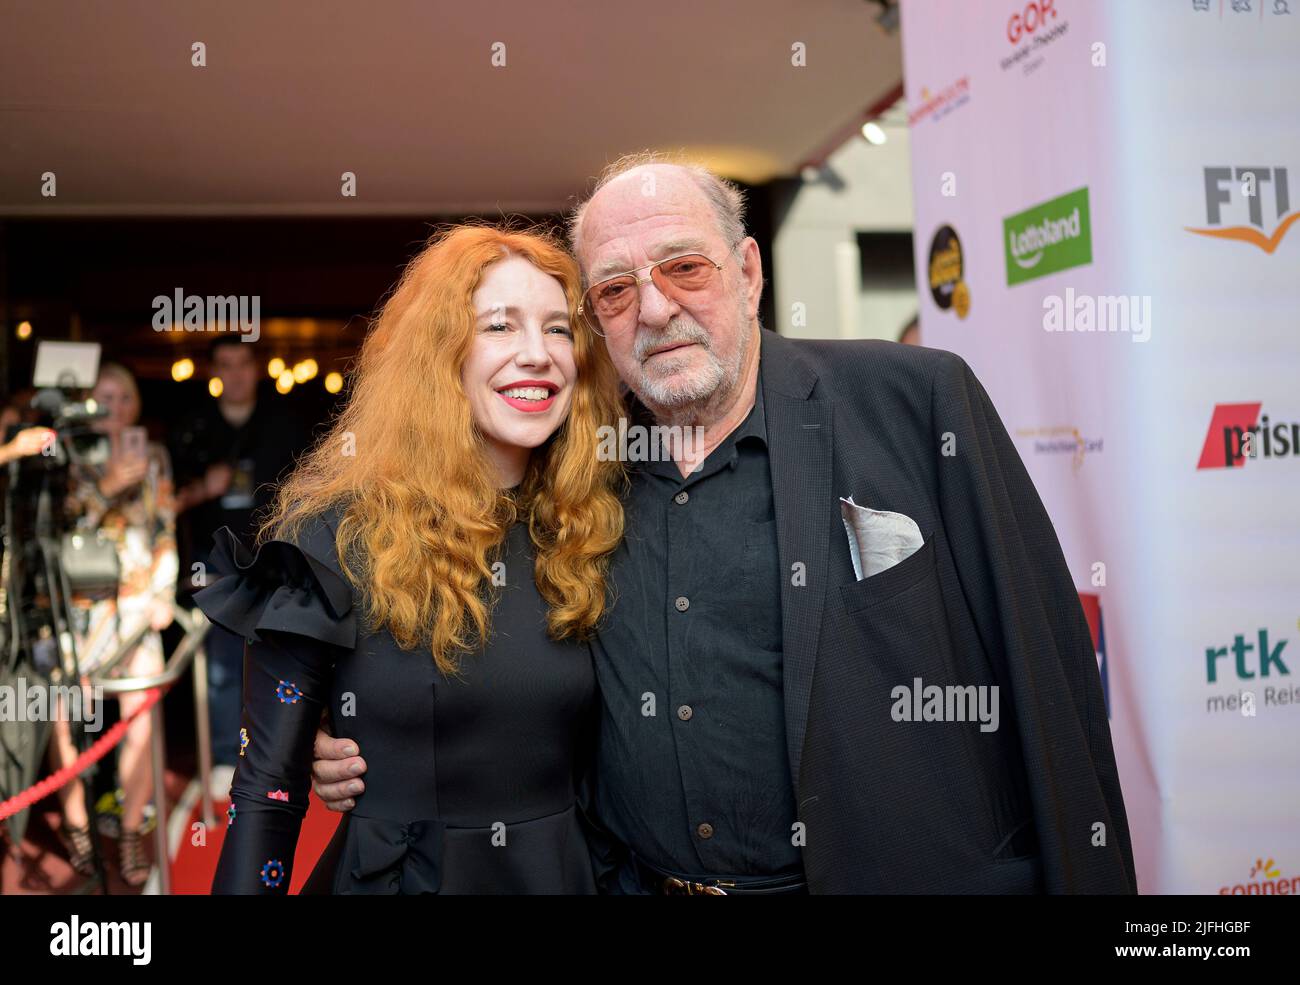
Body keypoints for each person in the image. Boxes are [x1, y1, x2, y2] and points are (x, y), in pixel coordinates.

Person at [311, 155, 1136, 894]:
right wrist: (359, 729)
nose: (657, 308)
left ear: (747, 270)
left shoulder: (915, 404)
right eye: (616, 289)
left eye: (684, 267)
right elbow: (494, 655)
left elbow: (1048, 683)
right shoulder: (574, 478)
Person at [192, 224, 626, 893]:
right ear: (439, 352)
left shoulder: (592, 527)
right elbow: (267, 792)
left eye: (559, 329)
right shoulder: (337, 534)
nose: (539, 354)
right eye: (501, 327)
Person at [50, 362, 177, 886]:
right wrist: (106, 486)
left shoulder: (155, 455)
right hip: (79, 607)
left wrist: (164, 592)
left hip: (136, 603)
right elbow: (58, 529)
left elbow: (165, 526)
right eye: (105, 398)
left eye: (124, 398)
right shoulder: (68, 456)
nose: (116, 408)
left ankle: (129, 831)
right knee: (65, 713)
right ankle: (78, 824)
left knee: (141, 717)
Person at [170, 335, 309, 770]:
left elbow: (311, 488)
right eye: (225, 365)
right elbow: (162, 503)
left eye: (243, 363)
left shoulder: (284, 424)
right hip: (217, 561)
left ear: (256, 368)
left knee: (281, 658)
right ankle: (227, 762)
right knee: (223, 667)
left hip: (276, 555)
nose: (235, 374)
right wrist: (200, 488)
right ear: (214, 372)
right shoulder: (193, 429)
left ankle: (282, 757)